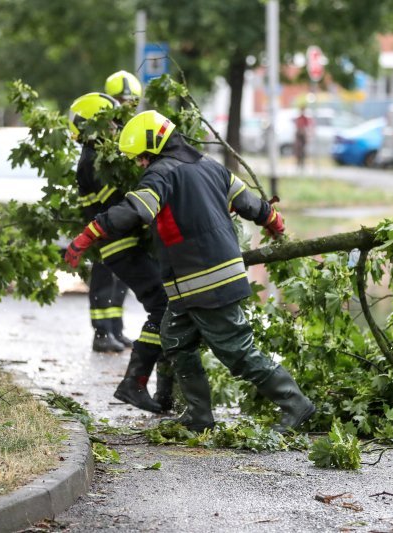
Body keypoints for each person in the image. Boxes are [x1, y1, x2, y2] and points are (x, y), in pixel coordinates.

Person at [64, 110, 316, 433]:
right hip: (189, 286)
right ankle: (199, 415)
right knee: (174, 340)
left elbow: (135, 211)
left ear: (153, 148)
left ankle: (296, 404)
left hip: (205, 281)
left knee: (238, 352)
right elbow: (250, 203)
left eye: (141, 157)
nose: (140, 164)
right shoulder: (213, 167)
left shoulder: (160, 175)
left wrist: (89, 234)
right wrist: (274, 222)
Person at [68, 92, 174, 413]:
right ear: (94, 125)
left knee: (163, 305)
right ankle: (135, 381)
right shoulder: (93, 163)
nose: (116, 127)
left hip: (125, 243)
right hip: (118, 244)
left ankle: (154, 388)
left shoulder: (98, 157)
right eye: (112, 122)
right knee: (163, 306)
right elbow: (119, 204)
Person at [83, 72, 144, 352]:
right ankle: (101, 334)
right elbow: (102, 188)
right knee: (104, 278)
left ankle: (116, 330)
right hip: (103, 223)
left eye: (132, 102)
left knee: (120, 281)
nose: (127, 107)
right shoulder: (95, 145)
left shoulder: (124, 135)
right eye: (122, 102)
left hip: (119, 224)